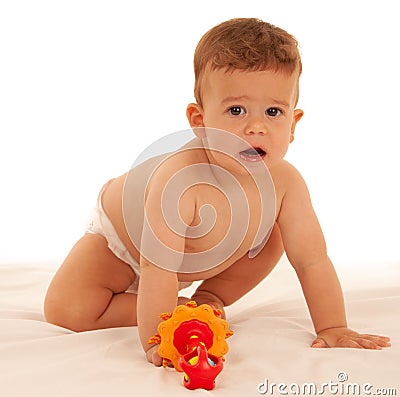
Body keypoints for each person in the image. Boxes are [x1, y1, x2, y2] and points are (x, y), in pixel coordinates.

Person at [44, 18, 390, 365]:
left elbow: (312, 260)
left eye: (273, 112)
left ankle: (209, 299)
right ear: (199, 119)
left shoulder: (286, 185)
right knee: (66, 309)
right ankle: (175, 309)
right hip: (121, 245)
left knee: (275, 237)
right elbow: (157, 267)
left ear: (293, 124)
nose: (256, 126)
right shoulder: (179, 179)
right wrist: (160, 340)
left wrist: (334, 327)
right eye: (236, 110)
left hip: (194, 258)